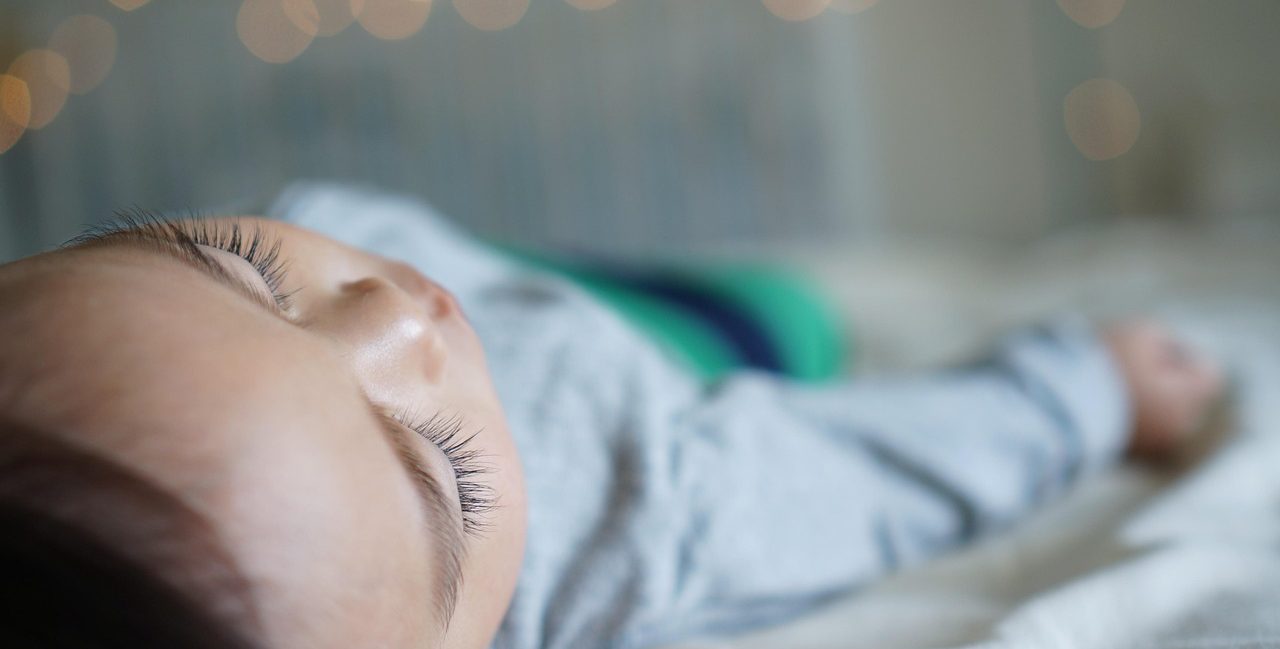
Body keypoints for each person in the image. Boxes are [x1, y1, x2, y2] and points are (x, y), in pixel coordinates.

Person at [0, 184, 1223, 649]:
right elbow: (862, 477)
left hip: (522, 264)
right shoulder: (634, 520)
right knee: (787, 309)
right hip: (681, 347)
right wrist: (1085, 389)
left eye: (228, 266)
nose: (399, 318)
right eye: (434, 471)